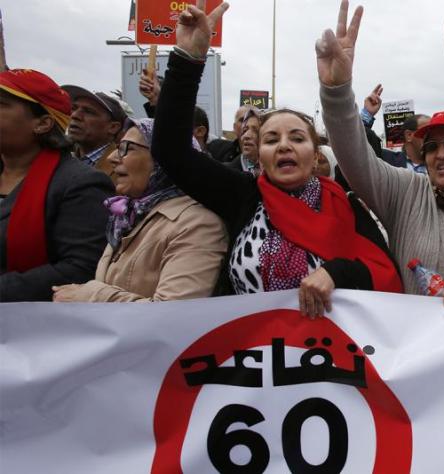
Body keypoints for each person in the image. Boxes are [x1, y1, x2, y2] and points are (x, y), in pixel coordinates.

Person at [151, 1, 401, 316]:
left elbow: (387, 275)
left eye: (297, 138)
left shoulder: (346, 204)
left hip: (331, 355)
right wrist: (187, 59)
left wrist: (337, 274)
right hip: (252, 356)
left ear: (315, 155)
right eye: (271, 139)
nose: (284, 146)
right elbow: (170, 150)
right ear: (259, 155)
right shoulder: (242, 195)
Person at [317, 1, 444, 305]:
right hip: (410, 348)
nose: (440, 154)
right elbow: (355, 158)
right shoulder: (406, 192)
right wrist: (337, 91)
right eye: (431, 147)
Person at [52, 118, 228, 302]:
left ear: (163, 158)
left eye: (127, 148)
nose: (112, 158)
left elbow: (175, 314)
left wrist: (91, 295)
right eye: (117, 147)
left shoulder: (197, 225)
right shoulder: (129, 215)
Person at [0, 68, 114, 302]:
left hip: (30, 328)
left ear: (42, 124)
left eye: (1, 104)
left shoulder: (80, 184)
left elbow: (79, 268)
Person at [61, 85, 127, 180]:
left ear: (113, 127)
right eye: (74, 108)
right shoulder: (59, 162)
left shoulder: (125, 168)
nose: (75, 115)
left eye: (88, 111)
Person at [224, 107, 260, 176]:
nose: (246, 135)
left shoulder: (278, 175)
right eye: (245, 130)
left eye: (255, 130)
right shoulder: (225, 173)